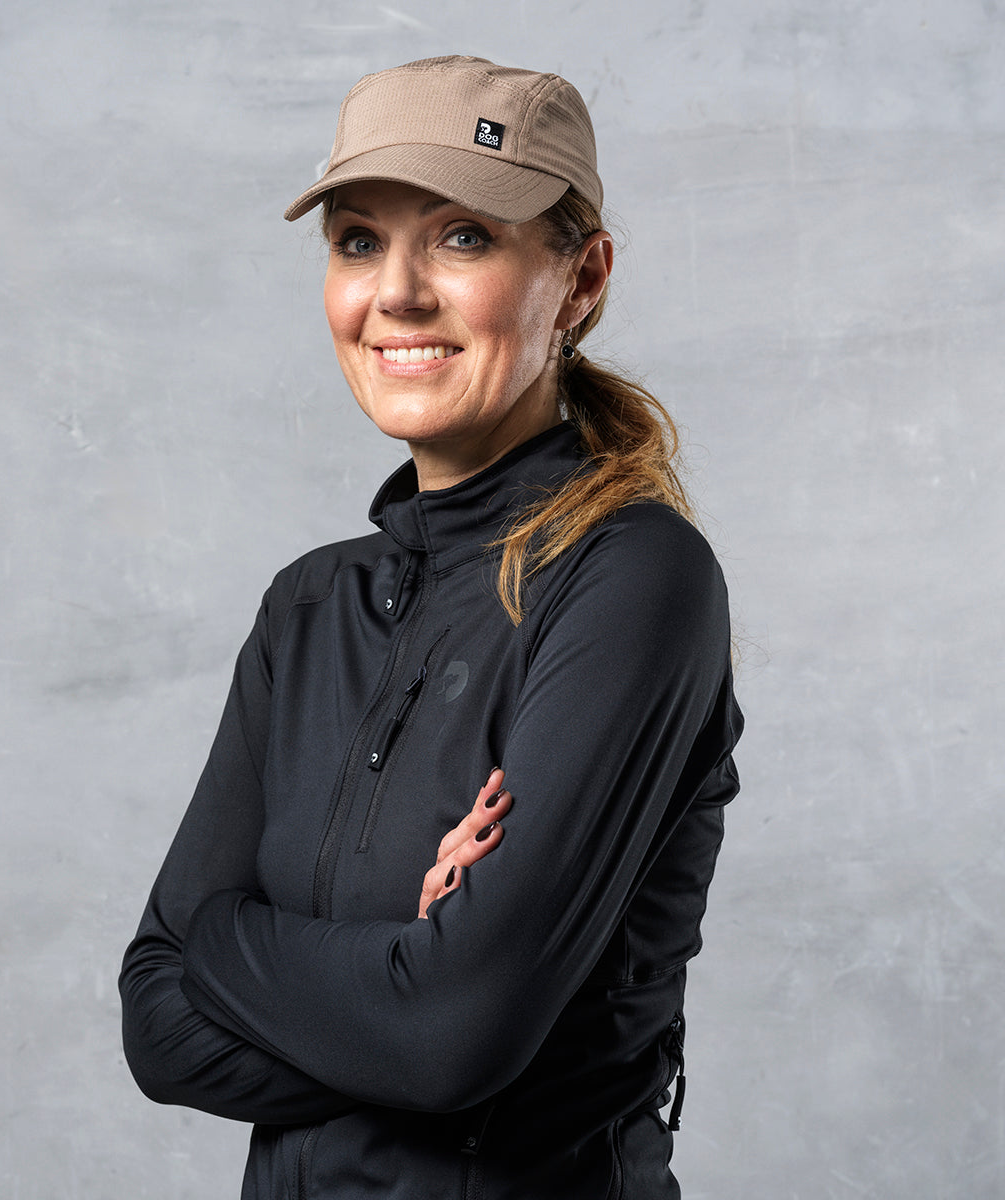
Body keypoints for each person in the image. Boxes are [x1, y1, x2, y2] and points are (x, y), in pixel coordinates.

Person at [119, 55, 743, 1199]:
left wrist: (227, 943)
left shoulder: (633, 578)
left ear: (582, 278)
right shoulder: (308, 608)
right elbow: (157, 1024)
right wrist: (400, 979)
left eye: (463, 237)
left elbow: (447, 1036)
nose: (397, 294)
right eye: (359, 241)